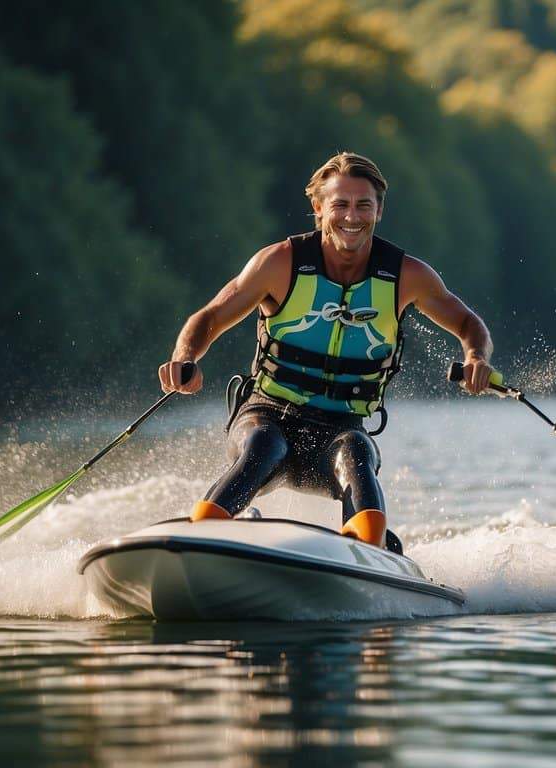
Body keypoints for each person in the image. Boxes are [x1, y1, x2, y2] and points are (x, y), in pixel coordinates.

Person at [158, 152, 494, 549]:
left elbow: (470, 324)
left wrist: (476, 357)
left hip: (339, 430)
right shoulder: (279, 263)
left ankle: (369, 549)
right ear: (319, 208)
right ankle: (202, 539)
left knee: (357, 450)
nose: (352, 217)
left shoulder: (407, 276)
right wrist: (186, 356)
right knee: (265, 445)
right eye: (340, 205)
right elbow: (210, 317)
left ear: (379, 210)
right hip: (266, 417)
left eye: (363, 205)